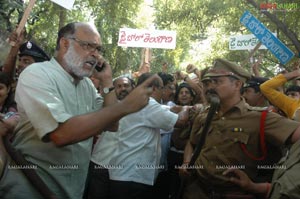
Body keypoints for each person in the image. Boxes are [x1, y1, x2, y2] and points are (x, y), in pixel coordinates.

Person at [0, 22, 160, 199]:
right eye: (88, 46)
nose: (96, 55)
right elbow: (60, 134)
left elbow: (112, 124)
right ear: (65, 43)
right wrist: (125, 106)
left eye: (98, 49)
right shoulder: (37, 74)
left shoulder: (86, 86)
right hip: (30, 189)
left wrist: (107, 81)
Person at [181, 58, 300, 199]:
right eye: (207, 83)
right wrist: (186, 162)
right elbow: (192, 142)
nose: (210, 87)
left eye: (217, 81)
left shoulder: (261, 118)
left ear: (237, 84)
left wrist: (265, 187)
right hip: (196, 192)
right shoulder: (203, 116)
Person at [108, 73, 190, 199]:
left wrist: (181, 107)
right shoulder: (148, 105)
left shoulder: (135, 102)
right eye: (163, 88)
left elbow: (167, 109)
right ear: (154, 88)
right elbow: (181, 122)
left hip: (124, 174)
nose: (164, 92)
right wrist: (185, 109)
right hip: (132, 178)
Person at [84, 76, 135, 199]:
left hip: (124, 169)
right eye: (118, 86)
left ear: (133, 87)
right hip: (101, 164)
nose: (122, 88)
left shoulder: (142, 107)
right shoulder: (105, 105)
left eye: (126, 85)